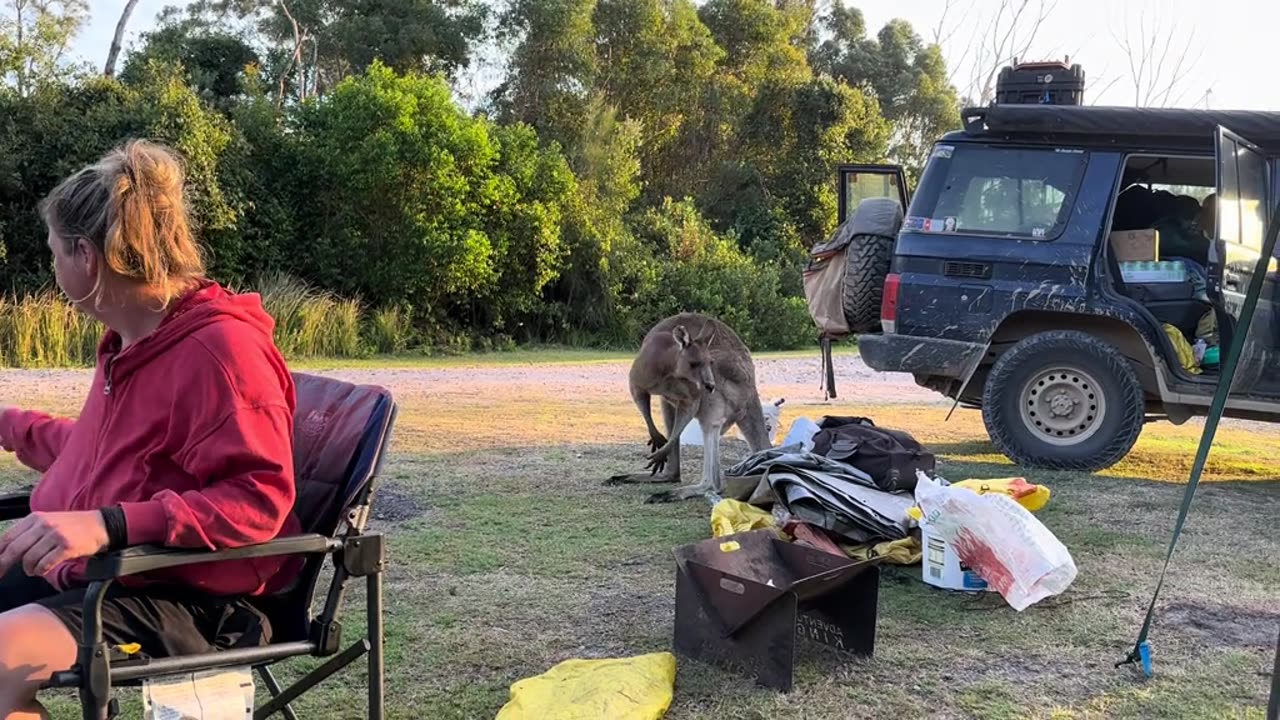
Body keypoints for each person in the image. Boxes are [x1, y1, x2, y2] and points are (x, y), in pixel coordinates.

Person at [0, 140, 299, 719]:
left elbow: (259, 499)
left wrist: (110, 524)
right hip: (108, 574)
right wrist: (8, 425)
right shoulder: (132, 344)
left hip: (189, 595)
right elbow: (97, 454)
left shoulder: (220, 350)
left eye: (54, 252)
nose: (53, 267)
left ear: (86, 256)